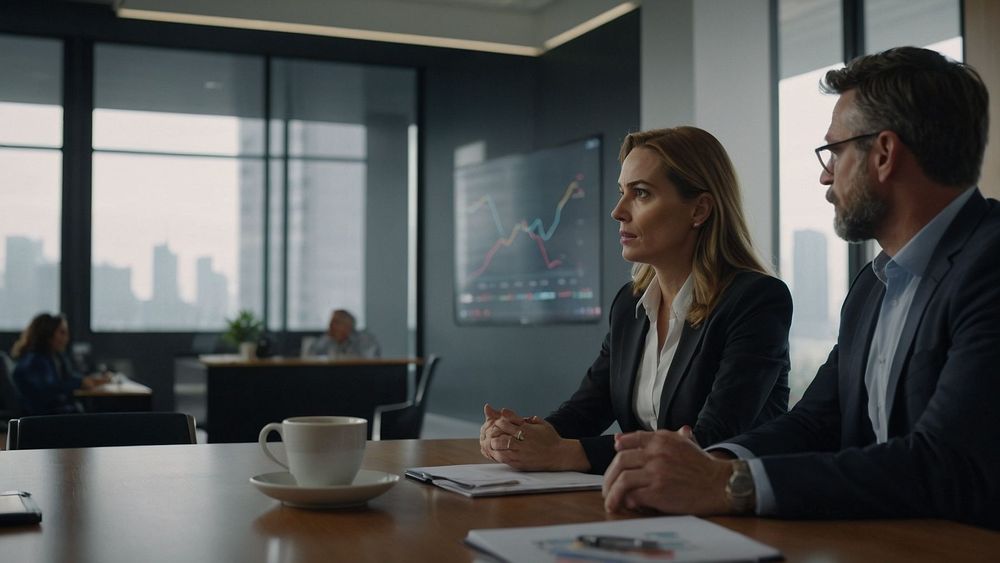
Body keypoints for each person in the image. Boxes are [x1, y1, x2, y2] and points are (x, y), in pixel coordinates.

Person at [602, 46, 1000, 530]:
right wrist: (708, 462)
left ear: (883, 153)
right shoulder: (873, 284)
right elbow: (818, 422)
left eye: (834, 150)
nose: (824, 175)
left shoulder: (989, 266)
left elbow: (945, 462)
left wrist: (732, 485)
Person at [480, 126, 792, 474]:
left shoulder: (757, 301)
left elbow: (710, 441)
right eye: (621, 192)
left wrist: (565, 454)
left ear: (699, 210)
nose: (618, 211)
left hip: (731, 510)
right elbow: (585, 412)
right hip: (648, 501)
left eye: (641, 193)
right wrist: (519, 436)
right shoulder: (630, 306)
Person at [10, 313, 111, 415]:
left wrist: (88, 380)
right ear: (47, 334)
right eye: (62, 332)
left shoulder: (54, 356)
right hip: (43, 418)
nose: (66, 337)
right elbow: (48, 391)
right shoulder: (33, 362)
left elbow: (67, 377)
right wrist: (80, 383)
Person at [306, 309, 381, 359]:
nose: (331, 326)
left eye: (336, 322)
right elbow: (310, 357)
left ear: (349, 326)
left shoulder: (365, 340)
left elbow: (369, 362)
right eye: (331, 323)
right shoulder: (326, 339)